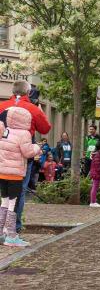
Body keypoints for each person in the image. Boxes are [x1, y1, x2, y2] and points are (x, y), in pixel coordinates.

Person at [0, 80, 51, 235]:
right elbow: (45, 128)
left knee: (4, 195)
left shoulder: (2, 106)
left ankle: (2, 229)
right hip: (22, 157)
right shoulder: (32, 109)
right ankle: (13, 229)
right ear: (28, 93)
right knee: (18, 193)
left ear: (13, 90)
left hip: (2, 156)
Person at [0, 107, 41, 247]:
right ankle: (11, 235)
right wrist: (37, 148)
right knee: (13, 203)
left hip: (2, 173)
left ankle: (1, 233)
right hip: (15, 175)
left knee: (4, 202)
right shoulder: (24, 134)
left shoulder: (5, 130)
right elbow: (27, 152)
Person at [88, 141, 100, 208]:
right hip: (96, 174)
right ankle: (93, 202)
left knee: (95, 187)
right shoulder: (97, 155)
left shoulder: (98, 155)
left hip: (96, 173)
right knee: (95, 187)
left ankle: (93, 201)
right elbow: (97, 166)